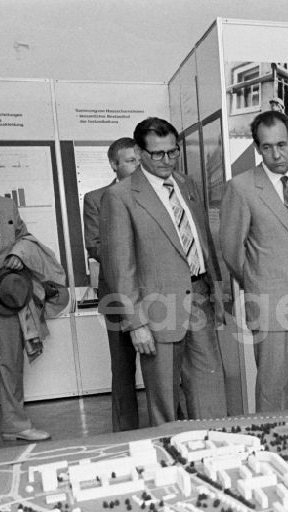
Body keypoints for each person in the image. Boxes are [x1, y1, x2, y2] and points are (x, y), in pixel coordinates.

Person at [101, 117, 227, 426]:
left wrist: (219, 295)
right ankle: (170, 459)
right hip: (156, 311)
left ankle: (213, 453)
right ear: (140, 152)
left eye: (173, 152)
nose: (167, 160)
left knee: (210, 392)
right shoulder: (121, 197)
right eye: (158, 153)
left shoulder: (186, 184)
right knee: (166, 404)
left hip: (199, 300)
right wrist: (135, 324)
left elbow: (203, 242)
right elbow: (121, 266)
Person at [220, 110, 288, 412]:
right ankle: (272, 447)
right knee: (273, 389)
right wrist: (258, 284)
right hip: (270, 304)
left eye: (282, 144)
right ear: (257, 148)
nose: (276, 154)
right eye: (267, 147)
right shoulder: (241, 187)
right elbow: (231, 251)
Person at [0, 149, 51, 448]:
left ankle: (16, 425)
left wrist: (18, 254)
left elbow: (25, 239)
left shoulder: (4, 205)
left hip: (7, 298)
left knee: (12, 366)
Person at [82, 137, 142, 432]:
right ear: (114, 165)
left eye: (139, 159)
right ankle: (126, 433)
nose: (138, 165)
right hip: (117, 295)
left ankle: (168, 428)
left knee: (166, 366)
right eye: (131, 161)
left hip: (156, 292)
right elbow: (94, 246)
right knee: (122, 367)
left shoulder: (153, 194)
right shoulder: (96, 199)